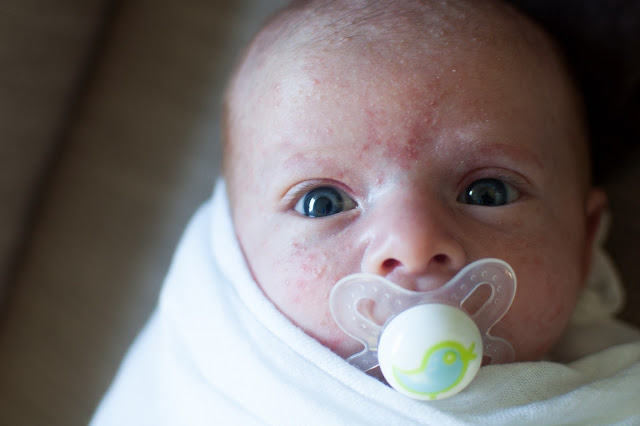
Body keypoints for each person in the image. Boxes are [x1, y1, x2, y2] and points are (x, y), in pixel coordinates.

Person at [92, 0, 640, 424]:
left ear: (584, 241)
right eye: (323, 203)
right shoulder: (210, 389)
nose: (414, 245)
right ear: (233, 252)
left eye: (488, 192)